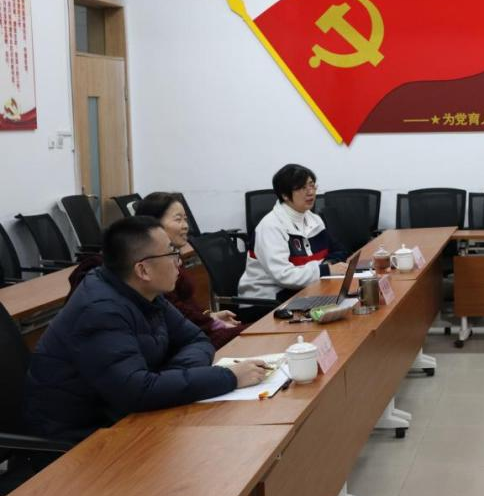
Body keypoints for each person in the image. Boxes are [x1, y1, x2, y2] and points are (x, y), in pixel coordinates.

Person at [24, 217, 267, 443]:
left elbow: (197, 339)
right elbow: (136, 392)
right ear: (143, 270)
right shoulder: (99, 311)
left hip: (123, 417)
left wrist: (165, 380)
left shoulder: (143, 292)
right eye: (172, 253)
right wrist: (228, 377)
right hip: (80, 440)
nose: (179, 262)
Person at [66, 192, 248, 349]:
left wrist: (209, 317)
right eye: (178, 219)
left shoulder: (168, 259)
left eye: (185, 219)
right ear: (153, 224)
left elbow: (180, 317)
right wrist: (210, 325)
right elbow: (175, 323)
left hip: (188, 336)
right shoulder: (147, 271)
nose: (186, 226)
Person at [238, 163, 348, 300]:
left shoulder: (314, 219)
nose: (311, 192)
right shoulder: (270, 227)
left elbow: (339, 250)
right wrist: (325, 270)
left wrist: (328, 265)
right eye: (302, 188)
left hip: (305, 290)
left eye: (312, 185)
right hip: (268, 300)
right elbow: (284, 276)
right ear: (285, 195)